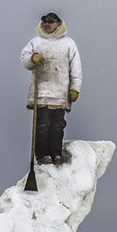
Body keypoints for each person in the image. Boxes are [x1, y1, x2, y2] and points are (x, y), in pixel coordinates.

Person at [20, 12, 82, 165]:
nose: (47, 24)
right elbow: (24, 59)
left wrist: (74, 89)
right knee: (42, 125)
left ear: (58, 23)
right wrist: (32, 58)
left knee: (57, 126)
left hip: (60, 92)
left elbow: (76, 68)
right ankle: (42, 155)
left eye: (51, 22)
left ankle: (56, 154)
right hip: (41, 92)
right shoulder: (36, 42)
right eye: (45, 22)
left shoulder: (69, 44)